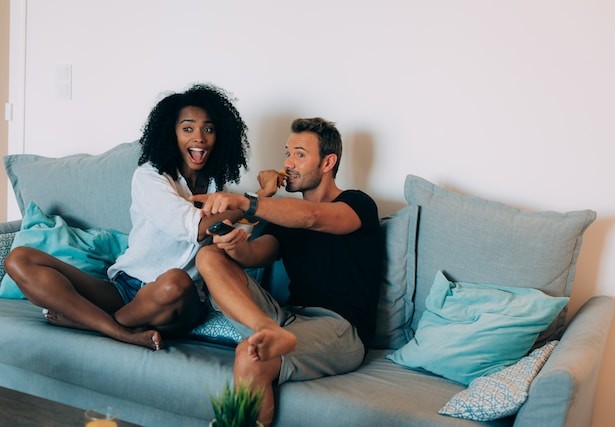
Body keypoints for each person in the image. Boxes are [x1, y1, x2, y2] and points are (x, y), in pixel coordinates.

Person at [3, 83, 250, 351]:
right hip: (126, 289)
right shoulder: (150, 177)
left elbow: (236, 238)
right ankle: (119, 331)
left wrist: (253, 203)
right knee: (20, 258)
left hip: (178, 303)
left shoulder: (220, 191)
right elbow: (195, 227)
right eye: (188, 128)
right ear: (171, 134)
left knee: (175, 281)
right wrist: (249, 204)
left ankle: (89, 323)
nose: (199, 137)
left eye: (209, 129)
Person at [192, 117, 382, 426]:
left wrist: (247, 201)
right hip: (286, 319)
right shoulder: (286, 221)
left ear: (328, 162)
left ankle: (267, 335)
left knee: (251, 356)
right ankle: (266, 328)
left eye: (300, 154)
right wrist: (230, 243)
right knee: (210, 257)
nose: (288, 163)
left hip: (340, 329)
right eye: (287, 153)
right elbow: (253, 255)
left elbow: (312, 217)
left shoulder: (358, 204)